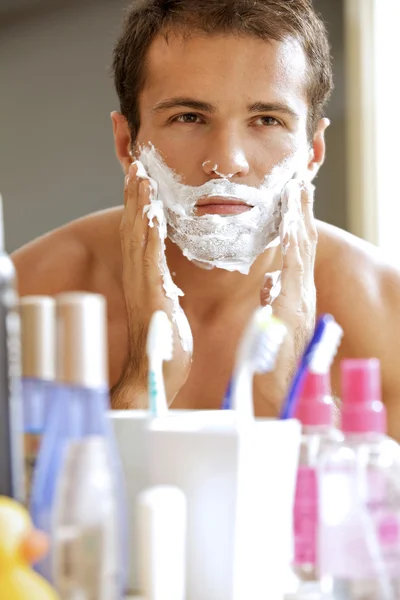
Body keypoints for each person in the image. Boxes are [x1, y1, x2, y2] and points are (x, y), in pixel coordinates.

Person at [12, 0, 400, 439]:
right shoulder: (28, 301)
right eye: (189, 117)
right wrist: (139, 384)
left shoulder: (390, 317)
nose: (226, 161)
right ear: (127, 144)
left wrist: (296, 396)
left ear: (312, 152)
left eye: (266, 120)